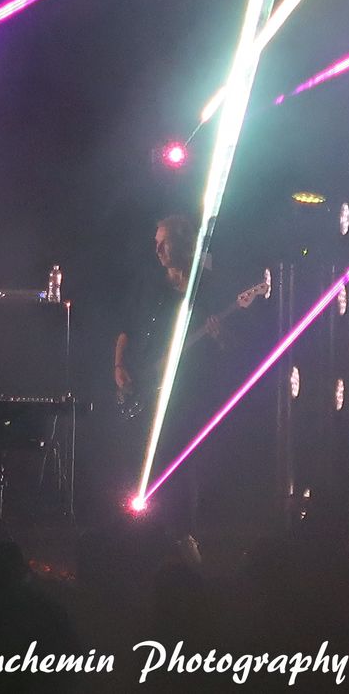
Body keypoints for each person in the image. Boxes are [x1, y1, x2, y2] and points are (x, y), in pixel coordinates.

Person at [112, 215, 221, 551]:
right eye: (156, 243)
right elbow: (126, 329)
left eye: (165, 242)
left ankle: (183, 535)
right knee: (140, 457)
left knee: (181, 461)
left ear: (183, 243)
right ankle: (141, 532)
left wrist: (218, 334)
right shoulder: (150, 285)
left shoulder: (204, 286)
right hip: (145, 383)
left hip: (186, 390)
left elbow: (229, 345)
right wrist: (119, 366)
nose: (158, 250)